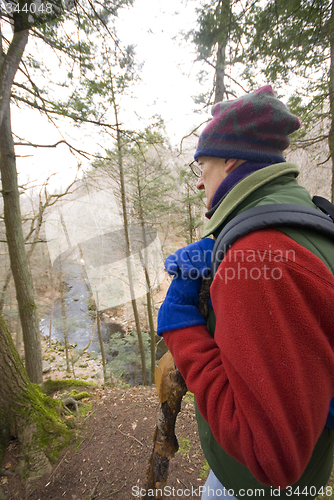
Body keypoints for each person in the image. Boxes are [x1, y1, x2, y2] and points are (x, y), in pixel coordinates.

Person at [157, 85, 334, 499]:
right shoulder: (309, 218)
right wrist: (222, 246)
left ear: (231, 161)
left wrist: (181, 324)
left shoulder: (258, 256)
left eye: (203, 165)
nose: (200, 182)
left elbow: (273, 458)